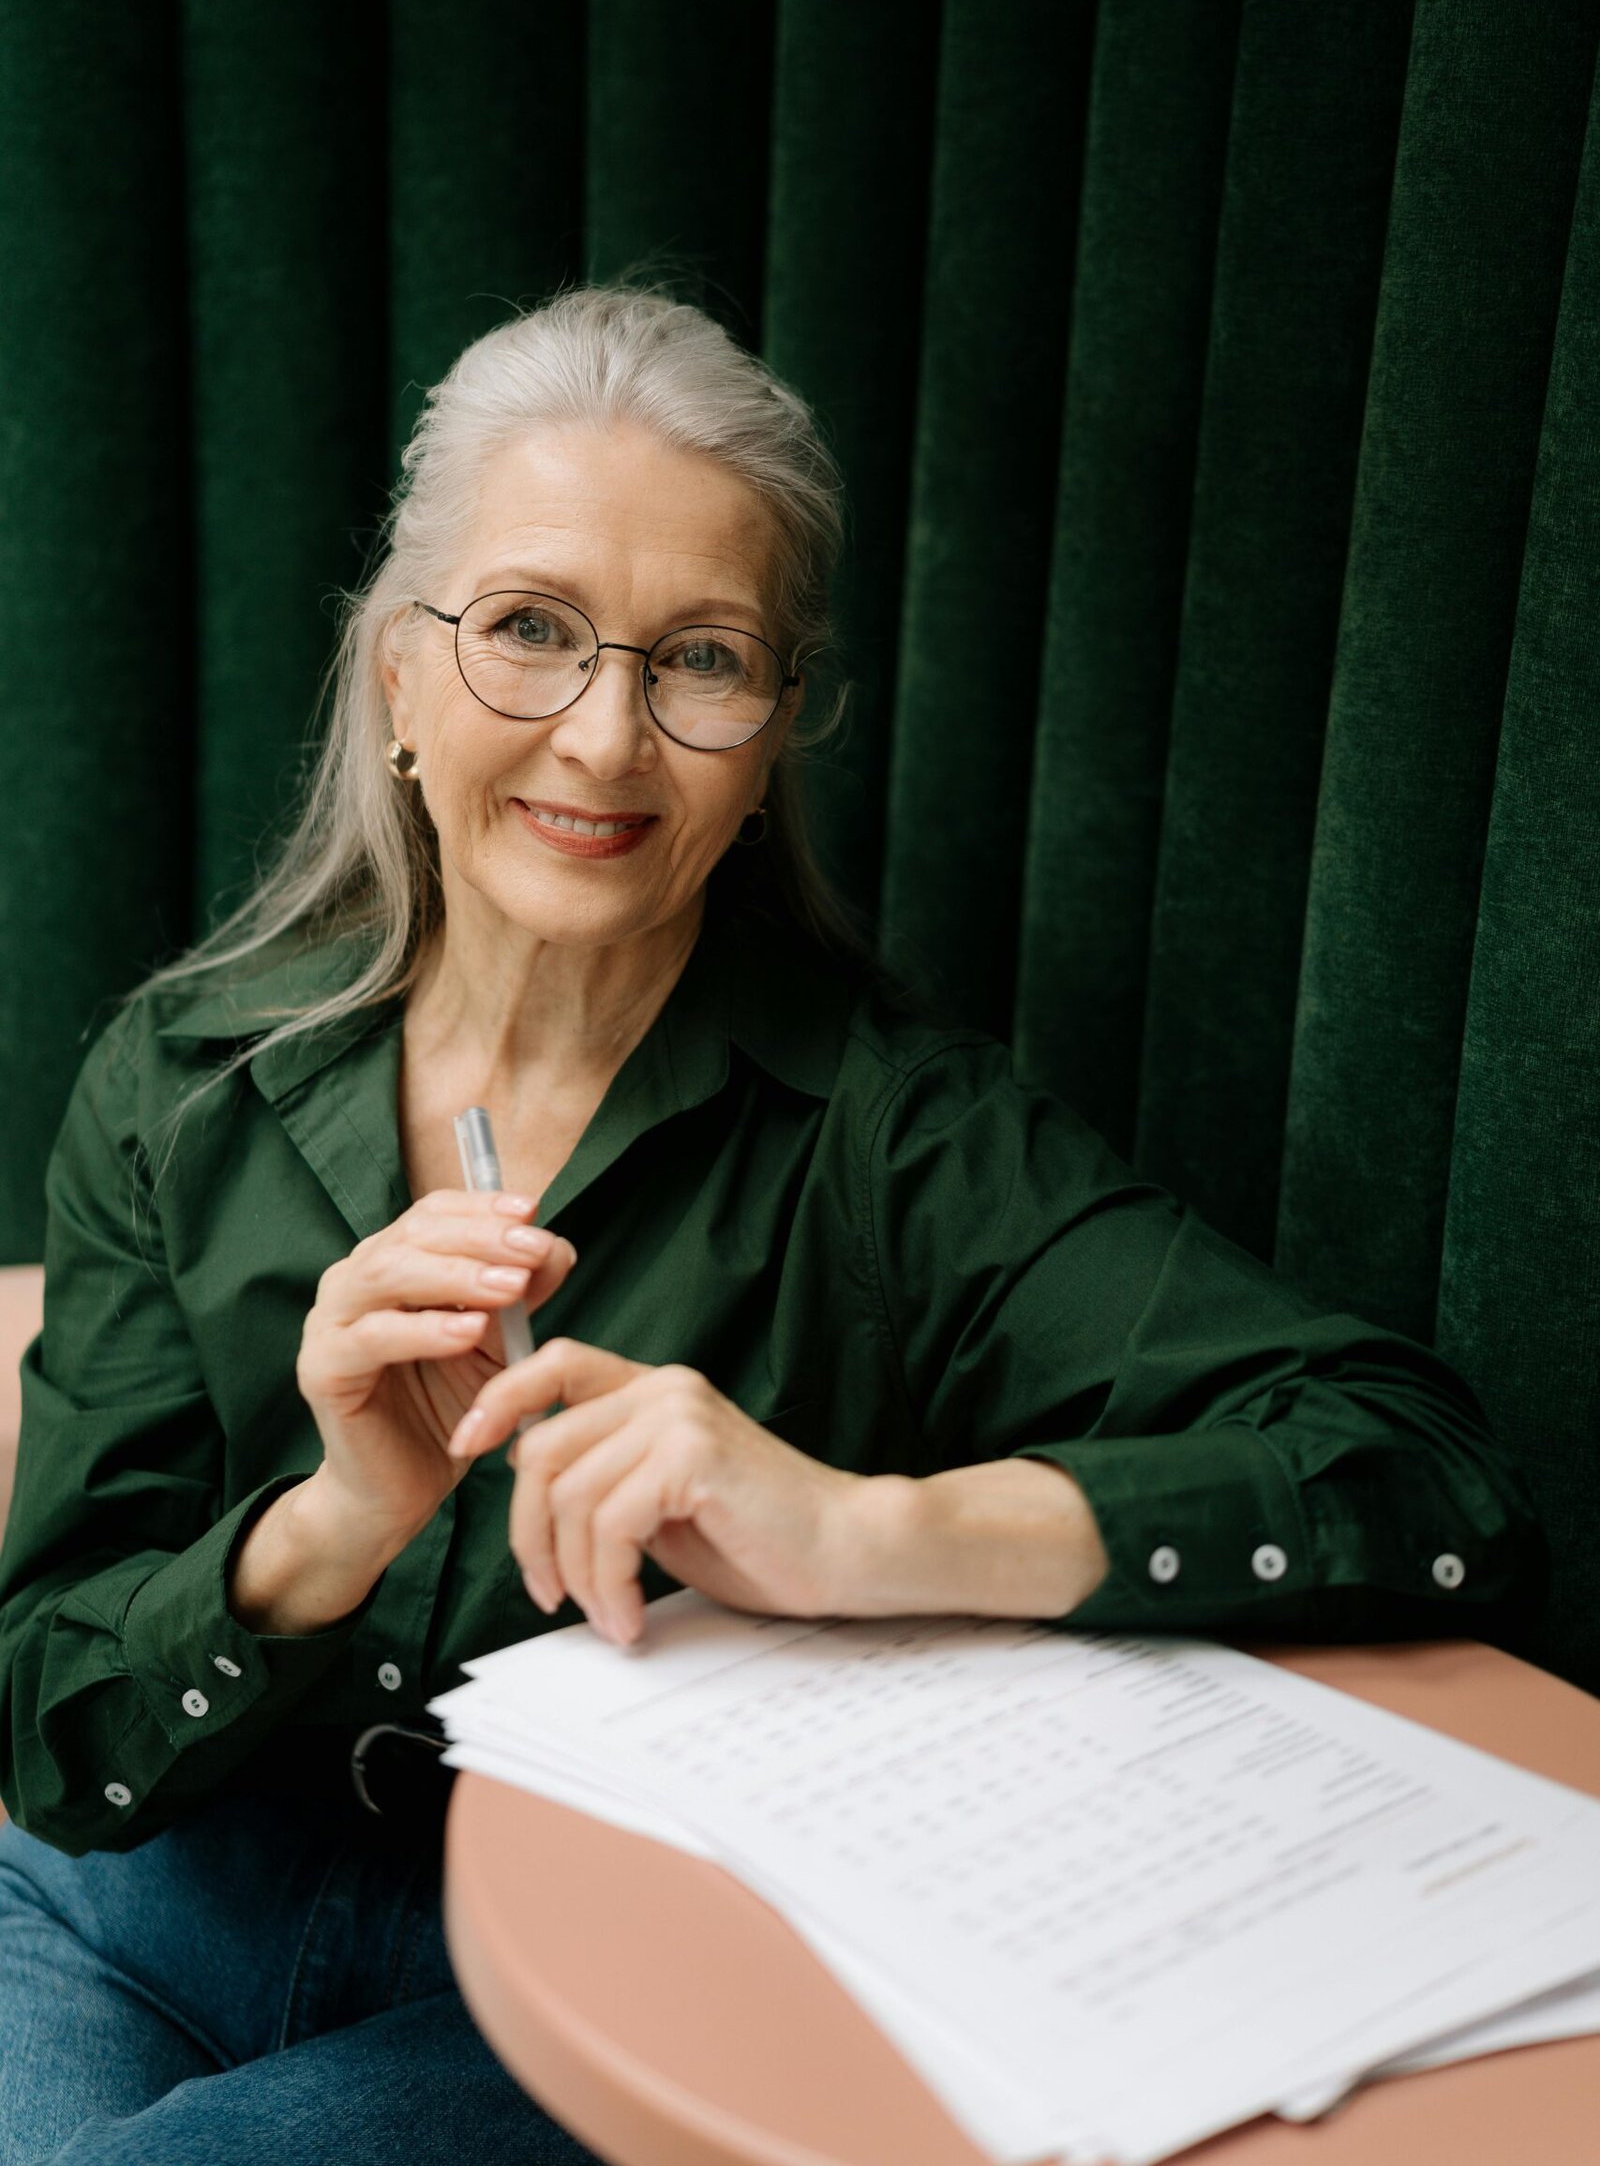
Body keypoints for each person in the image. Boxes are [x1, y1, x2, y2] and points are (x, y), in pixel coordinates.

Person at [0, 282, 1541, 2164]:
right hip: (126, 1901)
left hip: (577, 1988)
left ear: (775, 727)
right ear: (399, 676)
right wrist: (326, 1531)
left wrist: (859, 1530)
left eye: (702, 660)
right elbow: (49, 1723)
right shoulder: (178, 1077)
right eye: (530, 632)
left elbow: (1420, 1478)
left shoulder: (904, 1141)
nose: (604, 737)